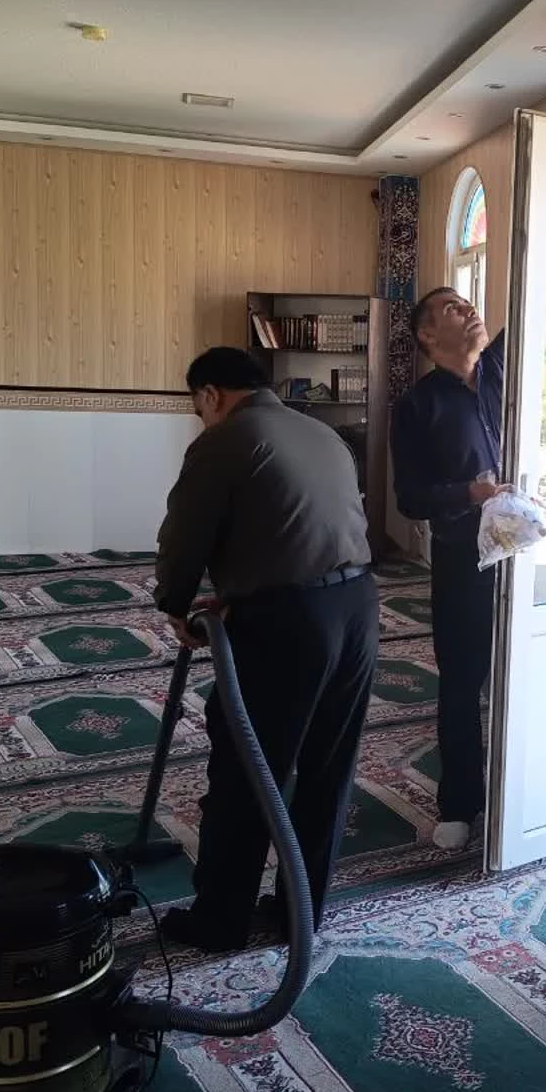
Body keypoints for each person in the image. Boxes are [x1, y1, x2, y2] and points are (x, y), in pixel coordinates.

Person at [152, 346, 379, 952]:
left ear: (210, 395)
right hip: (358, 607)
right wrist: (239, 595)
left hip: (290, 623)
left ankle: (219, 921)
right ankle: (301, 912)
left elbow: (185, 535)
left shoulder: (226, 438)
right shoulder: (322, 432)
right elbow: (293, 524)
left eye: (198, 408)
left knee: (247, 768)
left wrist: (175, 603)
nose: (201, 419)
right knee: (328, 768)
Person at [389, 287, 509, 850]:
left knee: (521, 674)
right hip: (464, 559)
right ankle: (460, 804)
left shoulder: (504, 375)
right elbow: (410, 498)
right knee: (462, 682)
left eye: (468, 301)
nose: (469, 308)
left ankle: (519, 795)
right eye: (452, 308)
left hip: (520, 552)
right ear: (428, 336)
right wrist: (470, 492)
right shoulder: (418, 407)